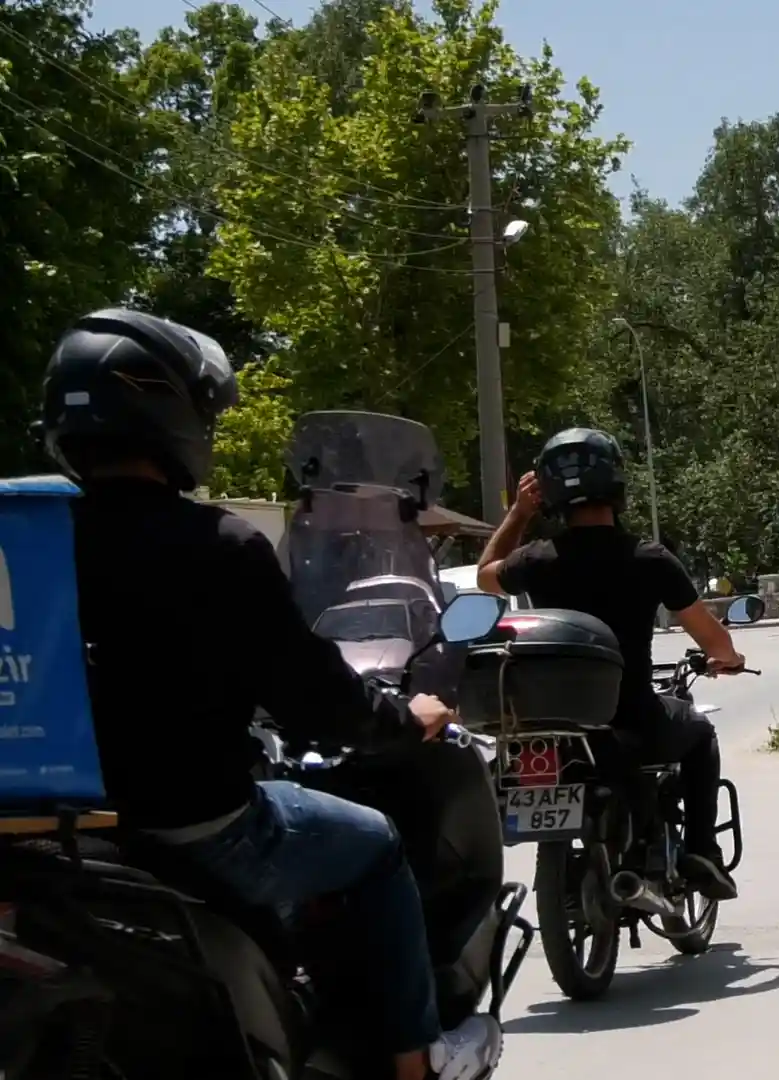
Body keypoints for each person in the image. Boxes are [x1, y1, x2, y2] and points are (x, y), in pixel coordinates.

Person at [44, 309, 495, 1080]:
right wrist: (403, 719)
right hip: (201, 828)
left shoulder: (30, 542)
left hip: (55, 834)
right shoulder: (216, 545)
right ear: (171, 415)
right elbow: (316, 700)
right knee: (379, 847)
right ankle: (415, 1061)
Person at [477, 428, 746, 902]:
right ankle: (701, 851)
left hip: (558, 731)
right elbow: (713, 639)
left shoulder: (535, 560)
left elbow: (484, 576)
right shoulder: (649, 559)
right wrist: (727, 659)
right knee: (699, 732)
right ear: (617, 481)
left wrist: (519, 514)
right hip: (633, 722)